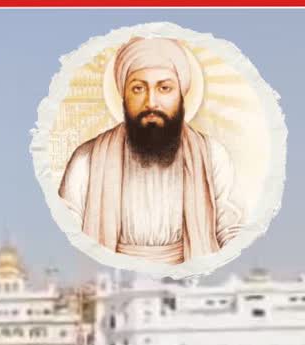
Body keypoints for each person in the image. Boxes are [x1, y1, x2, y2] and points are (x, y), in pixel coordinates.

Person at [59, 36, 245, 265]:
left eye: (164, 88)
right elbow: (66, 237)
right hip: (112, 281)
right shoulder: (86, 160)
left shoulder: (211, 155)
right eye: (138, 88)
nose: (151, 102)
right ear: (123, 95)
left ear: (181, 94)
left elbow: (232, 230)